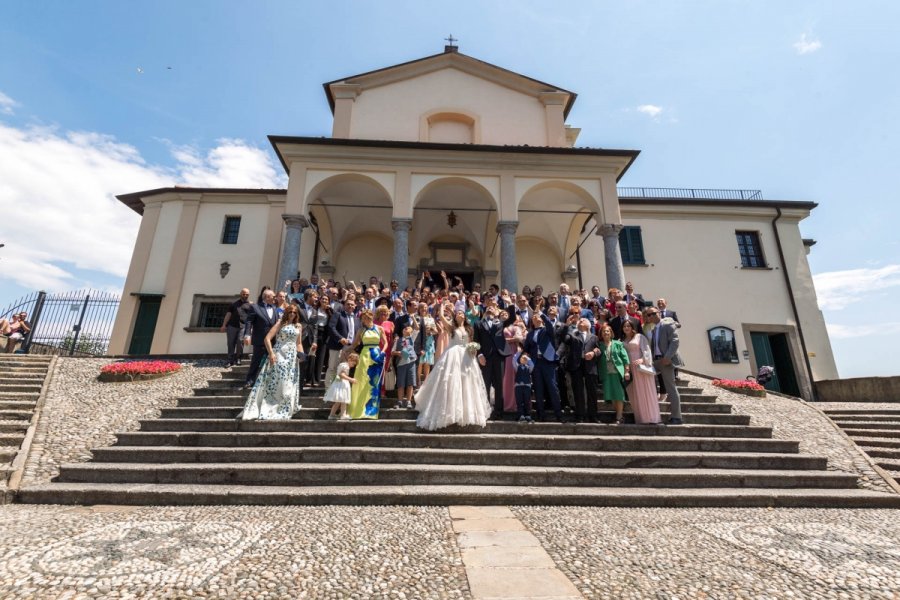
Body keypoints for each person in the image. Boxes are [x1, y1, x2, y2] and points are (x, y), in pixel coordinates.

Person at [415, 302, 491, 430]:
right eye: (458, 313)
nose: (460, 314)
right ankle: (448, 412)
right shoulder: (451, 327)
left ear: (465, 317)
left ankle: (466, 412)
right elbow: (442, 317)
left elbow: (471, 340)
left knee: (467, 382)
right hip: (453, 356)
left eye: (462, 313)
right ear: (455, 317)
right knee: (450, 382)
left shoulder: (469, 329)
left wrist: (473, 349)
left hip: (467, 356)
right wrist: (443, 307)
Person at [241, 304, 304, 420]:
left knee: (288, 381)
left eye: (294, 312)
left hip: (292, 356)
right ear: (286, 312)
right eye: (290, 312)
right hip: (279, 353)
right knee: (277, 378)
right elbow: (267, 339)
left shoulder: (298, 326)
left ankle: (284, 406)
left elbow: (299, 343)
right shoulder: (280, 323)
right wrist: (271, 353)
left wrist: (302, 354)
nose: (292, 314)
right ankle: (271, 404)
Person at [475, 305, 517, 420]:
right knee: (486, 384)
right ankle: (486, 410)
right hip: (486, 358)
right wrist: (479, 354)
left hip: (499, 357)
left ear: (496, 311)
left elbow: (512, 317)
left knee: (499, 385)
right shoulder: (478, 323)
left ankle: (499, 411)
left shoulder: (500, 322)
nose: (490, 308)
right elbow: (476, 340)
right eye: (488, 307)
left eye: (493, 307)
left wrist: (508, 303)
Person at [645, 308, 685, 425]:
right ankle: (650, 413)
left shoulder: (667, 324)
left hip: (666, 360)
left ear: (658, 313)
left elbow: (675, 341)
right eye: (648, 315)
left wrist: (668, 357)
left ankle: (677, 417)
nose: (650, 316)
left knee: (670, 388)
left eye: (652, 314)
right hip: (656, 361)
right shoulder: (654, 329)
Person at [523, 307, 563, 422]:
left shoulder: (547, 330)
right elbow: (526, 348)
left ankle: (558, 413)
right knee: (538, 389)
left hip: (548, 362)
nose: (537, 318)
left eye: (538, 317)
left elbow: (550, 326)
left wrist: (542, 314)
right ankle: (541, 414)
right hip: (536, 363)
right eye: (535, 317)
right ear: (532, 321)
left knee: (553, 387)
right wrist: (525, 356)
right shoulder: (530, 334)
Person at [558, 318, 601, 423]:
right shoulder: (572, 335)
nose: (581, 320)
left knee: (592, 392)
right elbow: (564, 338)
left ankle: (593, 415)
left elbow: (599, 351)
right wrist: (566, 326)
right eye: (580, 320)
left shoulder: (594, 337)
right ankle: (580, 415)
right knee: (578, 391)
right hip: (576, 366)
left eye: (583, 320)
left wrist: (593, 353)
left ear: (588, 325)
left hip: (590, 366)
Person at [348, 309, 387, 419]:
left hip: (376, 356)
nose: (365, 320)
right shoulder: (361, 330)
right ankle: (357, 410)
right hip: (364, 356)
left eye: (367, 318)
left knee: (374, 383)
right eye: (363, 318)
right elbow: (355, 344)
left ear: (371, 317)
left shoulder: (379, 328)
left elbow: (386, 343)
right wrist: (347, 350)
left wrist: (383, 352)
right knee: (361, 380)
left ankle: (371, 412)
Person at [622, 320, 661, 425]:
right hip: (630, 368)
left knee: (645, 391)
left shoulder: (640, 337)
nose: (626, 328)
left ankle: (651, 417)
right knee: (635, 393)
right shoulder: (623, 340)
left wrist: (642, 359)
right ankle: (641, 418)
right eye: (624, 326)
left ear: (632, 327)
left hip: (641, 367)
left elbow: (647, 350)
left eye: (628, 326)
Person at [242, 289, 280, 388]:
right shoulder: (255, 307)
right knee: (256, 361)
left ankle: (268, 381)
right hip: (259, 339)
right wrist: (247, 335)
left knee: (272, 361)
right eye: (273, 297)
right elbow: (249, 322)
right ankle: (250, 380)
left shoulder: (275, 308)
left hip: (272, 341)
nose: (275, 298)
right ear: (267, 297)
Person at [598, 324, 630, 424]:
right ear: (601, 334)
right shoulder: (599, 345)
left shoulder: (617, 344)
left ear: (611, 333)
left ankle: (619, 416)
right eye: (604, 331)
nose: (606, 333)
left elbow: (625, 358)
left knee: (619, 394)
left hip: (617, 372)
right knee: (610, 395)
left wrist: (627, 371)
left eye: (608, 331)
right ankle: (618, 413)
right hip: (606, 373)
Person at [325, 299, 359, 386]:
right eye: (348, 304)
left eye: (352, 305)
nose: (350, 306)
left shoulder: (357, 319)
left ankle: (341, 390)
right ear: (344, 306)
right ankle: (328, 389)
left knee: (345, 369)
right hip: (337, 346)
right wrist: (340, 338)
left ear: (355, 306)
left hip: (351, 348)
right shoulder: (338, 314)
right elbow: (331, 327)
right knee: (333, 368)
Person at [503, 314, 526, 414]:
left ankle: (520, 403)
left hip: (518, 353)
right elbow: (500, 340)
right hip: (506, 353)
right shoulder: (503, 327)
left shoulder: (520, 328)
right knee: (508, 378)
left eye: (517, 318)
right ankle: (508, 403)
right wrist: (514, 340)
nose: (515, 319)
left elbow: (522, 339)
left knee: (518, 377)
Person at [221, 288, 251, 366]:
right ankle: (230, 360)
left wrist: (251, 328)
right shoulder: (233, 303)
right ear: (240, 294)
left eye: (247, 294)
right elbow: (228, 314)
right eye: (244, 294)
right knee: (230, 343)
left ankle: (238, 359)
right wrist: (224, 325)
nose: (245, 295)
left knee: (240, 343)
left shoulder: (251, 305)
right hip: (232, 326)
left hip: (243, 326)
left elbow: (251, 318)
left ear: (249, 295)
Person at [325, 350, 357, 420]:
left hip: (339, 384)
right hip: (342, 385)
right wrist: (351, 379)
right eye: (353, 363)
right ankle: (343, 415)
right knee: (344, 401)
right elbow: (341, 375)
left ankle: (331, 415)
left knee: (338, 402)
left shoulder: (344, 365)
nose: (353, 365)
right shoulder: (346, 366)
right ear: (350, 360)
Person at [392, 324, 418, 408]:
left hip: (411, 362)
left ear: (411, 331)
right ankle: (400, 401)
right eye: (404, 328)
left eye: (408, 328)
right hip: (401, 364)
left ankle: (408, 401)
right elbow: (392, 351)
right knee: (400, 383)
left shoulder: (412, 338)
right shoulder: (398, 340)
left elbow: (417, 328)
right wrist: (398, 353)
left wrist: (413, 317)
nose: (406, 328)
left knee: (410, 382)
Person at [415, 302, 436, 385]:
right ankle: (418, 381)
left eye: (425, 307)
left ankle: (426, 382)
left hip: (429, 342)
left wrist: (430, 330)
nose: (424, 309)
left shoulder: (431, 319)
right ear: (419, 309)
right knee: (420, 362)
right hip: (419, 342)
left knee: (427, 362)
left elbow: (436, 331)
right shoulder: (416, 318)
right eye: (422, 307)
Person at [513, 351, 535, 423]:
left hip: (527, 386)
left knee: (527, 401)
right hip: (518, 386)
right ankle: (521, 415)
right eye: (522, 359)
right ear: (520, 360)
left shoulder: (529, 368)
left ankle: (527, 415)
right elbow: (513, 360)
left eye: (525, 359)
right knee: (519, 402)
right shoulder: (517, 367)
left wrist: (527, 357)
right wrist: (518, 353)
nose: (524, 360)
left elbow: (532, 364)